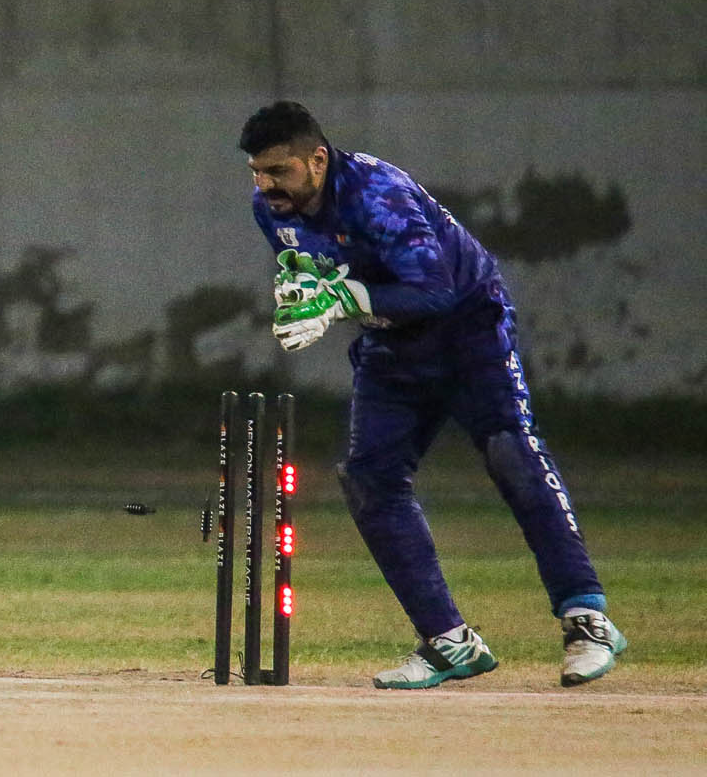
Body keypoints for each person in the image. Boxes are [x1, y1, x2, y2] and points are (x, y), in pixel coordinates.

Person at [239, 101, 625, 689]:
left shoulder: (377, 194)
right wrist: (302, 294)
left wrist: (342, 301)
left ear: (316, 160)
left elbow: (434, 290)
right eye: (257, 173)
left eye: (278, 171)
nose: (266, 186)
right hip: (392, 345)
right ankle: (449, 642)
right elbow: (314, 270)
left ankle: (587, 621)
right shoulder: (270, 210)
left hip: (468, 331)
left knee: (511, 455)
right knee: (369, 479)